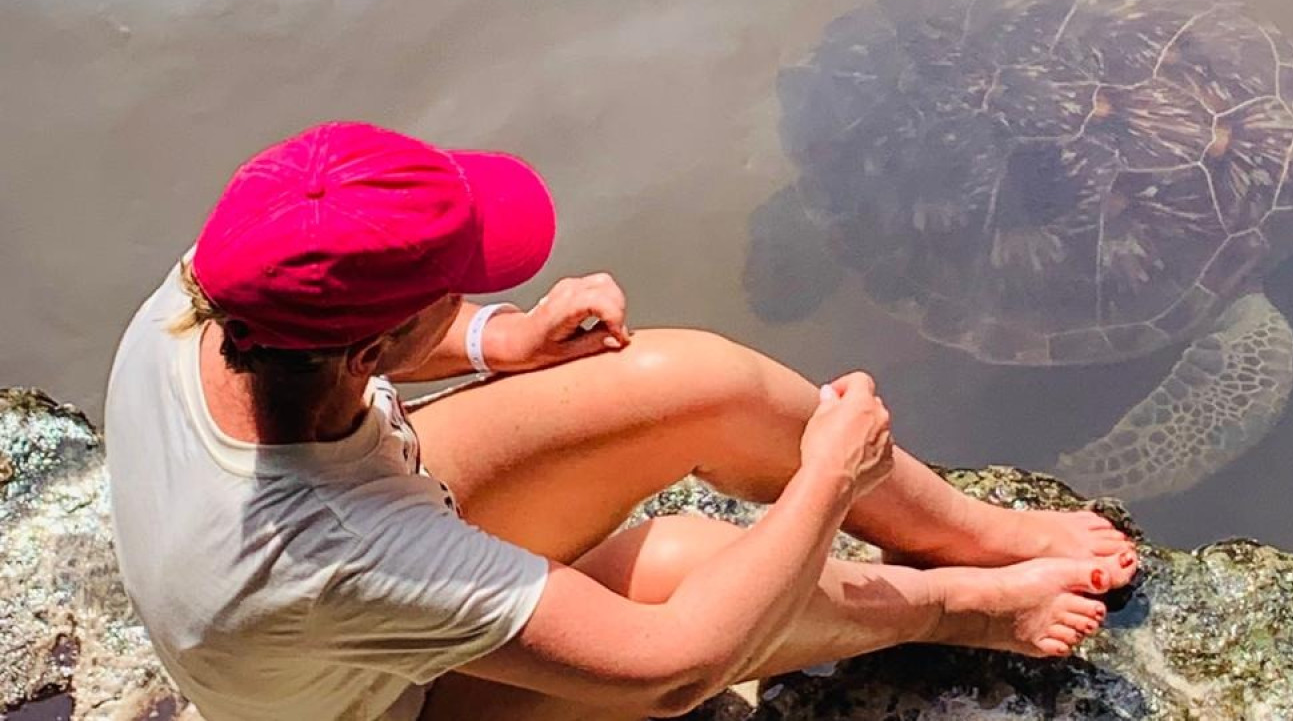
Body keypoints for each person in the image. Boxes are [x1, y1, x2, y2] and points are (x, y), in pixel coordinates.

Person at [104, 120, 1139, 721]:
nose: (472, 289)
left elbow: (350, 329)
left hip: (340, 537)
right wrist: (830, 479)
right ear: (369, 351)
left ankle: (970, 530)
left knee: (699, 380)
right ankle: (957, 606)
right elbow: (673, 669)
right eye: (454, 286)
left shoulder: (226, 283)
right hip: (380, 700)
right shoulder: (339, 550)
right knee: (685, 566)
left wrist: (500, 339)